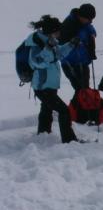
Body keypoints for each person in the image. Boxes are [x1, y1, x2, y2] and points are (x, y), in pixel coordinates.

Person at [25, 15, 78, 143]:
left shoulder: (50, 42)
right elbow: (37, 62)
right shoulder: (37, 44)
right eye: (58, 31)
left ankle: (43, 135)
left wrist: (71, 44)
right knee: (64, 111)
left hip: (49, 85)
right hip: (42, 87)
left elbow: (58, 54)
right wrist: (48, 47)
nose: (60, 34)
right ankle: (69, 141)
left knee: (46, 109)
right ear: (51, 32)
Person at [58, 3, 97, 91]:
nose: (90, 21)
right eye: (89, 19)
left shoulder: (84, 23)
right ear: (82, 16)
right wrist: (74, 42)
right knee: (80, 90)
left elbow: (90, 28)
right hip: (70, 63)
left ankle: (85, 100)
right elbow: (61, 44)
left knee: (84, 89)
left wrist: (92, 33)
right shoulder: (68, 24)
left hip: (83, 61)